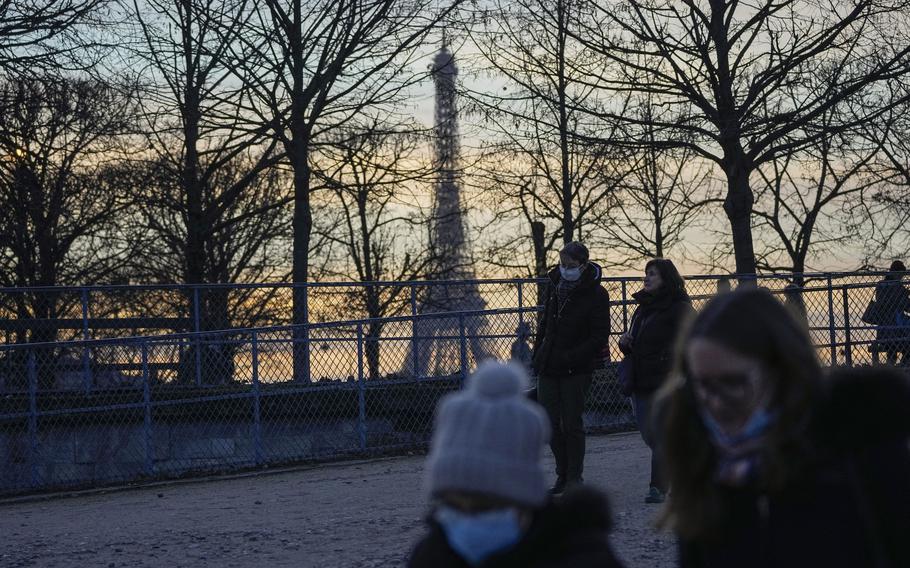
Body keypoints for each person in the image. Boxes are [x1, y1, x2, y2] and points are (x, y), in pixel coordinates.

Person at [657, 289, 910, 568]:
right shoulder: (703, 466)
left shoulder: (860, 459)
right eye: (702, 385)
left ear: (781, 373)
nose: (715, 402)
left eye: (733, 383)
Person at [407, 360, 624, 568]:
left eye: (485, 505)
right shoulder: (432, 556)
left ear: (524, 498)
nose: (468, 520)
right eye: (452, 506)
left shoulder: (583, 558)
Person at [530, 241, 610, 494]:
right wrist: (539, 351)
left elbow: (599, 334)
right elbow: (546, 322)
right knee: (550, 422)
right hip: (550, 363)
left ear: (583, 265)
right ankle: (563, 473)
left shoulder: (597, 294)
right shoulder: (555, 286)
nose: (565, 269)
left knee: (571, 424)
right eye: (563, 264)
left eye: (571, 266)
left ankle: (573, 476)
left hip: (576, 367)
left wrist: (572, 356)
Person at [618, 258, 693, 504]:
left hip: (667, 379)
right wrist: (625, 342)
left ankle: (657, 487)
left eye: (653, 274)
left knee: (660, 434)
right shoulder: (643, 307)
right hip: (642, 379)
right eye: (646, 273)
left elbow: (692, 339)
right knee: (649, 434)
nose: (647, 278)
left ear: (666, 278)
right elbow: (635, 342)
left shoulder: (679, 307)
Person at [875, 260, 910, 365]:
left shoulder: (881, 285)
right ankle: (903, 367)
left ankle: (892, 370)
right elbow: (906, 306)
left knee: (892, 353)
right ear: (897, 273)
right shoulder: (897, 287)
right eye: (901, 275)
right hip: (897, 330)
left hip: (883, 332)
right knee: (907, 347)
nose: (901, 278)